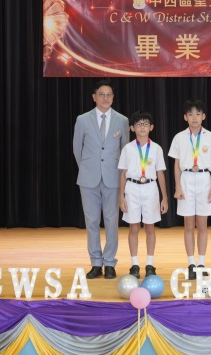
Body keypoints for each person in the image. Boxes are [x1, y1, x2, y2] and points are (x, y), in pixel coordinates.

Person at [73, 79, 129, 279]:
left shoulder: (122, 120)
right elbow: (77, 149)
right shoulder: (82, 120)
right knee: (92, 221)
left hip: (113, 177)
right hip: (88, 178)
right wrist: (88, 168)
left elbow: (125, 151)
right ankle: (96, 262)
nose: (105, 98)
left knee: (112, 221)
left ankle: (110, 262)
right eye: (101, 94)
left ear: (113, 97)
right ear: (94, 97)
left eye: (109, 94)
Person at [168, 99, 211, 280]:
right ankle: (191, 263)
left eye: (198, 114)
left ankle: (201, 263)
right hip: (186, 179)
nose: (194, 117)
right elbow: (176, 165)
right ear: (185, 117)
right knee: (188, 225)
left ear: (203, 116)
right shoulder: (179, 137)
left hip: (205, 179)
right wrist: (177, 186)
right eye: (190, 114)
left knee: (203, 224)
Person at [118, 111, 168, 278]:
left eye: (145, 124)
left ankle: (149, 264)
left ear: (151, 127)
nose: (142, 127)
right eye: (138, 124)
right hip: (132, 188)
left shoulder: (156, 148)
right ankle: (134, 264)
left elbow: (160, 173)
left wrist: (164, 198)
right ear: (132, 128)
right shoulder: (128, 149)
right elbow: (123, 174)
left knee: (149, 227)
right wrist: (121, 196)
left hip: (150, 188)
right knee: (133, 227)